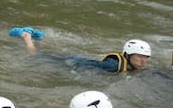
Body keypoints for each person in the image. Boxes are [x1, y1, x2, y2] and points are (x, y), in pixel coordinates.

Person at [10, 28, 151, 72]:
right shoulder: (113, 65)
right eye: (140, 56)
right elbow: (88, 66)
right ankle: (26, 37)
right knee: (37, 56)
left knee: (50, 53)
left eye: (146, 57)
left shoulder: (125, 64)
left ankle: (39, 39)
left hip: (77, 58)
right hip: (74, 61)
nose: (144, 60)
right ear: (127, 55)